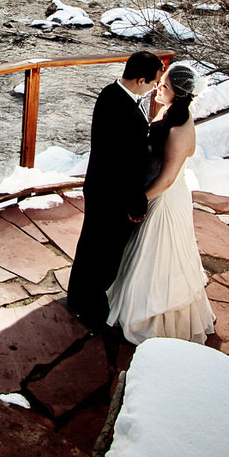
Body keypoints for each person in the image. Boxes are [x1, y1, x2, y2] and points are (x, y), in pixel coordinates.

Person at [106, 64, 216, 345]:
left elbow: (167, 179)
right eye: (160, 82)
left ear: (178, 94)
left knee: (161, 257)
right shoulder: (169, 112)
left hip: (165, 199)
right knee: (142, 255)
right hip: (156, 192)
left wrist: (139, 200)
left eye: (163, 86)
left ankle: (156, 320)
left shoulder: (181, 128)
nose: (157, 88)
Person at [66, 50, 164, 332]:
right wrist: (137, 203)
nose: (156, 87)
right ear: (141, 79)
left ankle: (77, 297)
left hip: (98, 186)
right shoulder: (130, 114)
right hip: (115, 196)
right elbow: (128, 166)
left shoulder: (110, 93)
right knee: (106, 255)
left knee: (89, 245)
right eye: (154, 82)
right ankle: (92, 308)